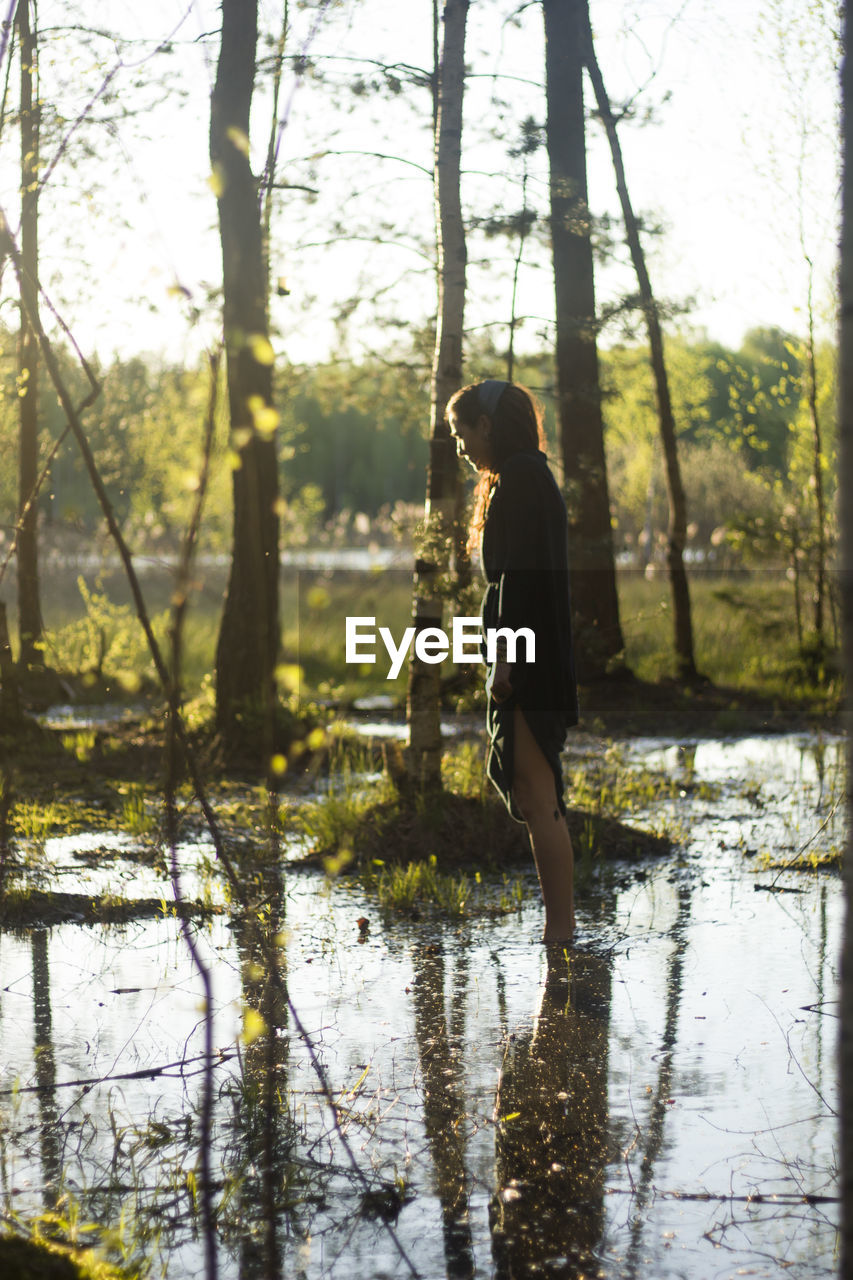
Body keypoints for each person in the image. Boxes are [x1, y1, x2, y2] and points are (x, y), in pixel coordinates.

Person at [447, 378, 578, 942]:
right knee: (534, 791)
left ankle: (561, 933)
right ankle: (560, 930)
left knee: (537, 793)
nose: (460, 446)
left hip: (526, 660)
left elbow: (518, 585)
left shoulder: (521, 480)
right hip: (530, 655)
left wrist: (504, 663)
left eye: (463, 432)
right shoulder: (522, 476)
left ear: (488, 425)